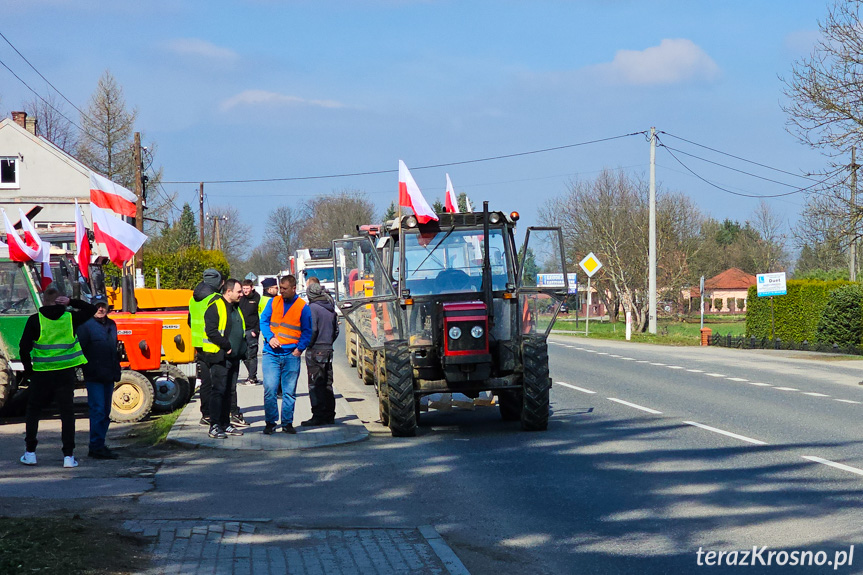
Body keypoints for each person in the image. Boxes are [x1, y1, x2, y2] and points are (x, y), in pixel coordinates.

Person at [18, 288, 97, 468]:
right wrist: (71, 301)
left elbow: (23, 348)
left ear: (44, 301)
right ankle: (68, 457)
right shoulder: (70, 318)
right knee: (67, 413)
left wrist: (28, 371)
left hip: (41, 373)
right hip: (65, 373)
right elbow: (91, 309)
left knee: (33, 412)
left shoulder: (35, 320)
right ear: (59, 300)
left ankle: (30, 453)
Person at [260, 275, 312, 435]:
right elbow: (264, 321)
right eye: (280, 288)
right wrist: (270, 337)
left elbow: (307, 330)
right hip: (271, 354)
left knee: (289, 391)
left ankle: (287, 423)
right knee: (270, 388)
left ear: (293, 288)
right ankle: (270, 422)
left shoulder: (303, 307)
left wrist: (300, 349)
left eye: (284, 289)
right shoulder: (273, 302)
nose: (281, 291)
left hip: (291, 355)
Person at [201, 278, 247, 439]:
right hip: (219, 357)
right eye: (239, 291)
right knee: (218, 391)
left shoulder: (235, 307)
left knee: (229, 391)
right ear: (229, 292)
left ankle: (225, 424)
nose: (242, 294)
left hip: (234, 358)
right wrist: (227, 346)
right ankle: (214, 426)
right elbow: (211, 331)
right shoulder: (216, 307)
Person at [77, 295, 121, 459]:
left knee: (106, 411)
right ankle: (95, 447)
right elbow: (80, 350)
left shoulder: (112, 324)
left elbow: (114, 350)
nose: (100, 309)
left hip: (109, 375)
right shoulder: (86, 326)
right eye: (97, 306)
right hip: (94, 375)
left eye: (103, 306)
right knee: (98, 411)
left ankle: (100, 444)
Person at [302, 277, 339, 426]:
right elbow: (336, 330)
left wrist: (307, 345)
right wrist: (328, 342)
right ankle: (330, 415)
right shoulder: (330, 307)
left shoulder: (313, 308)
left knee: (315, 384)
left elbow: (313, 330)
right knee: (327, 384)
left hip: (316, 350)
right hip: (328, 349)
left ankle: (318, 416)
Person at [188, 268, 222, 427]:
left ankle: (206, 414)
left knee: (205, 382)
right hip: (213, 345)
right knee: (216, 381)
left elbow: (189, 321)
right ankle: (216, 414)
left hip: (198, 344)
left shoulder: (192, 299)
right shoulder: (215, 298)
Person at [238, 279, 261, 386]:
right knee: (243, 354)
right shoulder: (240, 298)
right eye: (244, 289)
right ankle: (252, 375)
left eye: (247, 288)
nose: (245, 291)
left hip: (252, 330)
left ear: (252, 288)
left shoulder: (257, 298)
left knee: (252, 354)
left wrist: (256, 330)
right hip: (241, 330)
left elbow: (259, 314)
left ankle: (252, 378)